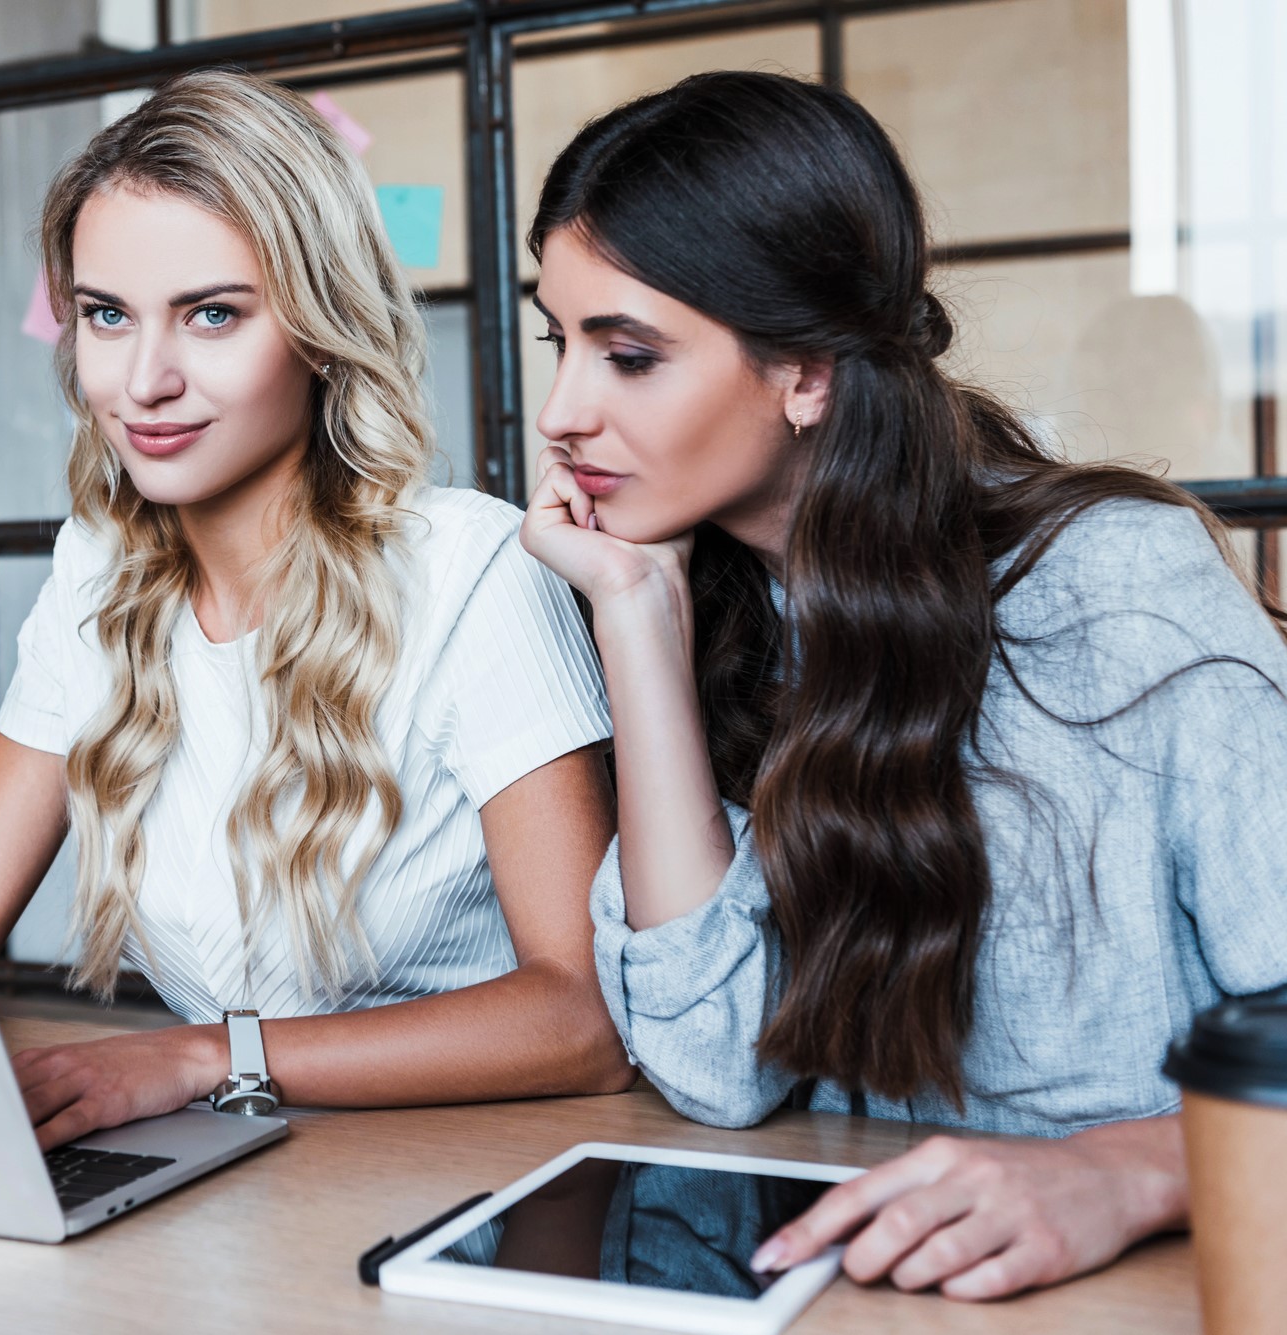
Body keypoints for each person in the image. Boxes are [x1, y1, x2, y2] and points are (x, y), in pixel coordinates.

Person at [518, 69, 1287, 1301]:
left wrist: (1127, 1172)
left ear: (805, 372)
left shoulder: (1109, 588)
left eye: (628, 356)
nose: (561, 412)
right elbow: (713, 1070)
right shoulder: (691, 601)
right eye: (557, 342)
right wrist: (636, 618)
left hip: (1142, 1285)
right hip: (862, 1280)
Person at [0, 69, 630, 1152]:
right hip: (229, 1169)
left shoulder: (471, 567)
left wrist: (207, 1053)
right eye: (106, 317)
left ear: (318, 326)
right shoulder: (96, 572)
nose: (143, 381)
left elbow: (584, 1020)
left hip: (466, 1179)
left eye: (211, 314)